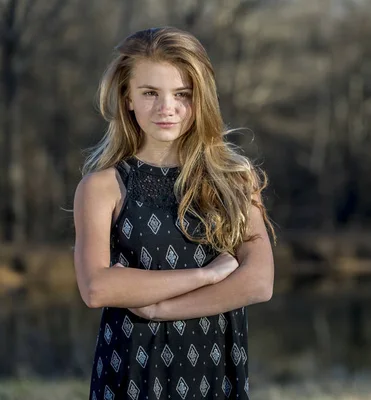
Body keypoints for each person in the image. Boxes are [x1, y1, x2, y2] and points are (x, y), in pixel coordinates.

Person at [72, 26, 275, 400]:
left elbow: (259, 282)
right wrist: (207, 274)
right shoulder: (102, 187)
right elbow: (97, 287)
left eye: (182, 94)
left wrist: (159, 308)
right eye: (150, 93)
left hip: (215, 372)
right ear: (127, 98)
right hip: (132, 371)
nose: (167, 108)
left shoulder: (235, 180)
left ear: (201, 99)